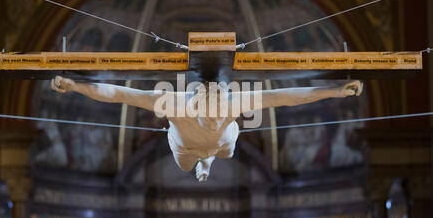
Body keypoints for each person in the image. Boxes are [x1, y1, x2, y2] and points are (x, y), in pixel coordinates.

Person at [51, 76, 363, 182]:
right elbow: (118, 94)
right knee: (189, 161)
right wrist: (75, 85)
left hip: (223, 145)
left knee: (223, 149)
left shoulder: (232, 104)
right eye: (209, 115)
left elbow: (288, 98)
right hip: (184, 148)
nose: (215, 118)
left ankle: (209, 160)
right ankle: (204, 162)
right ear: (195, 104)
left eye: (220, 114)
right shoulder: (173, 103)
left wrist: (336, 91)